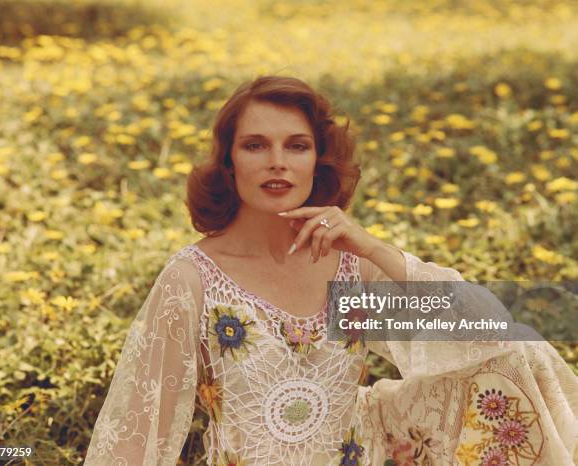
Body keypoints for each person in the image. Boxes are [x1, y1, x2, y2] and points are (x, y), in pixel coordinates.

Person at [84, 76, 578, 465]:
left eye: (296, 146)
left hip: (367, 450)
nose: (277, 162)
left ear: (316, 160)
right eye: (255, 145)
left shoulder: (350, 269)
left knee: (515, 360)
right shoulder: (194, 280)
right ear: (229, 162)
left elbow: (490, 330)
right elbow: (137, 431)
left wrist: (374, 249)